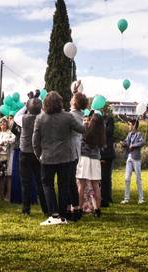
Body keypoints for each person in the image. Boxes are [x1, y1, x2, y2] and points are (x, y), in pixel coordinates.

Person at [32, 91, 84, 226]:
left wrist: (39, 155)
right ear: (60, 102)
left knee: (47, 185)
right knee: (63, 186)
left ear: (46, 104)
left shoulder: (40, 118)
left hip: (47, 158)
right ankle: (62, 216)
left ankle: (54, 214)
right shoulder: (68, 117)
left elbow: (35, 141)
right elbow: (81, 129)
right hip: (65, 158)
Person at [17, 96, 48, 216]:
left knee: (26, 182)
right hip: (39, 153)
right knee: (41, 182)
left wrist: (27, 103)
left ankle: (26, 209)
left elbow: (16, 115)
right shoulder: (43, 118)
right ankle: (46, 209)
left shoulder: (23, 118)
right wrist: (39, 105)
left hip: (25, 153)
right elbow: (44, 112)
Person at [78, 112, 106, 216]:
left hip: (84, 157)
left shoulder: (85, 127)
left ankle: (79, 208)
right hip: (95, 159)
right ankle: (97, 210)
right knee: (96, 186)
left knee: (81, 185)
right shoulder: (101, 133)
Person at [67, 91, 88, 221]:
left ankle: (73, 209)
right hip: (75, 150)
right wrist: (75, 92)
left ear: (74, 102)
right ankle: (73, 208)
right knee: (71, 181)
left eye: (72, 98)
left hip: (70, 150)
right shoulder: (80, 114)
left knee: (69, 181)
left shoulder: (71, 115)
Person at [121, 118, 145, 204]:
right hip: (129, 157)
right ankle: (126, 198)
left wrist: (133, 145)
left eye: (130, 124)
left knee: (138, 178)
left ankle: (141, 198)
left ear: (134, 125)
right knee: (127, 179)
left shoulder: (139, 134)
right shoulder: (129, 134)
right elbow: (126, 143)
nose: (129, 126)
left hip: (136, 158)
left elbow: (142, 142)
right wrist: (123, 144)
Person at [0, 118, 16, 201]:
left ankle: (8, 195)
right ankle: (1, 194)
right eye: (1, 123)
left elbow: (13, 139)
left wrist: (4, 143)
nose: (3, 124)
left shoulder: (10, 133)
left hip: (5, 156)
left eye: (5, 123)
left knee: (7, 176)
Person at [100, 106, 116, 207]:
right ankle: (102, 197)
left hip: (107, 153)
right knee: (100, 177)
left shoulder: (109, 120)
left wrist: (100, 127)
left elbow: (109, 132)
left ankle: (107, 198)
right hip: (99, 153)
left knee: (106, 177)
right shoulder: (96, 119)